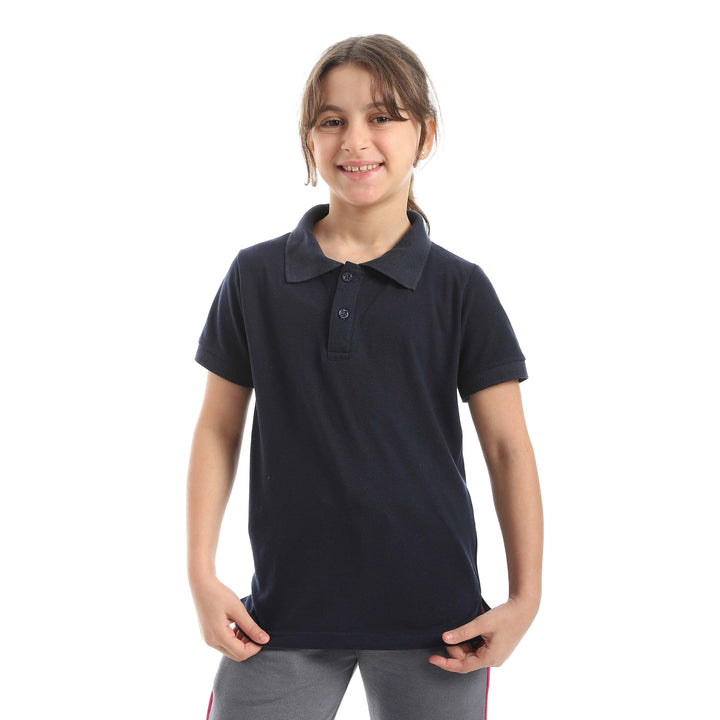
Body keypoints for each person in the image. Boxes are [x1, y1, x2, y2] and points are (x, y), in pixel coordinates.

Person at [187, 33, 543, 720]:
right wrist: (201, 574)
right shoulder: (255, 277)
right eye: (332, 120)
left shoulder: (461, 289)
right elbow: (216, 429)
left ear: (425, 135)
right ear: (309, 140)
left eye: (382, 116)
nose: (356, 139)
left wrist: (525, 600)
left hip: (441, 629)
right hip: (278, 620)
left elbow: (507, 448)